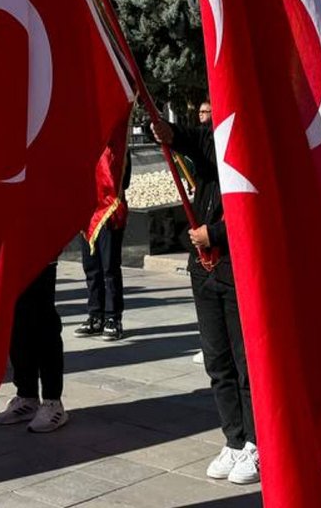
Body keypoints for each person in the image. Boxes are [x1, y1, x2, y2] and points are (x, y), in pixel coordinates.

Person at [152, 101, 258, 487]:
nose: (207, 119)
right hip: (204, 267)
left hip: (235, 265)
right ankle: (233, 438)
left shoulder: (251, 142)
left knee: (244, 360)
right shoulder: (211, 143)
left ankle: (255, 442)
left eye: (213, 111)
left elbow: (253, 202)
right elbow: (196, 142)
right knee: (217, 361)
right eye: (202, 112)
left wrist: (215, 233)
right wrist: (170, 133)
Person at [0, 260, 67, 433]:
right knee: (17, 322)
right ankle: (27, 395)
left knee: (42, 320)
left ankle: (52, 401)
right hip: (12, 253)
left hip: (40, 250)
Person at [77, 144, 132, 341]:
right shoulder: (84, 144)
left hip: (108, 211)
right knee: (91, 267)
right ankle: (95, 315)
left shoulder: (117, 144)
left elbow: (123, 180)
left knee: (110, 268)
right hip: (88, 213)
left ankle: (113, 318)